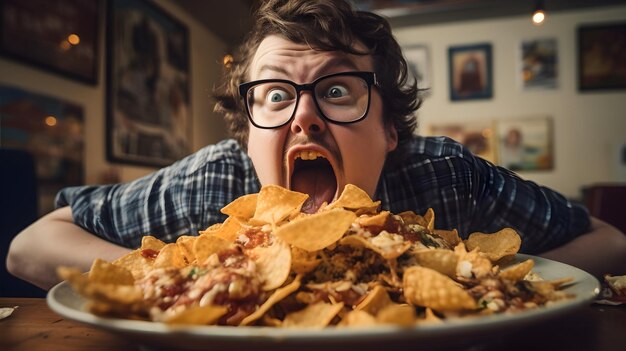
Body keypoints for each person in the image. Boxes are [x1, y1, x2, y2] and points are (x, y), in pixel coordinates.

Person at [7, 0, 626, 290]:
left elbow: (610, 242)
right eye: (274, 96)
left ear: (390, 129)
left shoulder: (446, 176)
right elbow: (30, 246)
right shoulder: (212, 184)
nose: (303, 117)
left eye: (335, 90)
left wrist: (489, 283)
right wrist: (162, 285)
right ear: (247, 134)